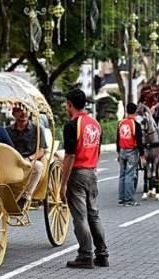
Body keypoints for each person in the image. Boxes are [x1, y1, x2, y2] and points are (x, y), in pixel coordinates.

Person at [60, 88, 108, 269]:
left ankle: (85, 255)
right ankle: (102, 254)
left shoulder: (72, 125)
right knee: (94, 215)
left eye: (66, 104)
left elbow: (70, 156)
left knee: (80, 216)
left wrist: (63, 184)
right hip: (91, 172)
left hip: (77, 173)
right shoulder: (95, 123)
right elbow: (98, 148)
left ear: (70, 104)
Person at [6, 104, 47, 208]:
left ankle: (25, 196)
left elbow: (41, 150)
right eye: (20, 110)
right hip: (13, 162)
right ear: (14, 113)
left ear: (30, 113)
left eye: (26, 110)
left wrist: (30, 158)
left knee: (38, 166)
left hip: (29, 161)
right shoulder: (7, 131)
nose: (23, 113)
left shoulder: (38, 129)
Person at [116, 102, 145, 206]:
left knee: (122, 175)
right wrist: (142, 155)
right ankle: (128, 199)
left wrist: (118, 152)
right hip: (132, 151)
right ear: (136, 111)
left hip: (122, 150)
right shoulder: (135, 124)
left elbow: (117, 139)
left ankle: (121, 198)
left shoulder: (121, 123)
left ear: (126, 111)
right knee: (130, 175)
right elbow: (139, 141)